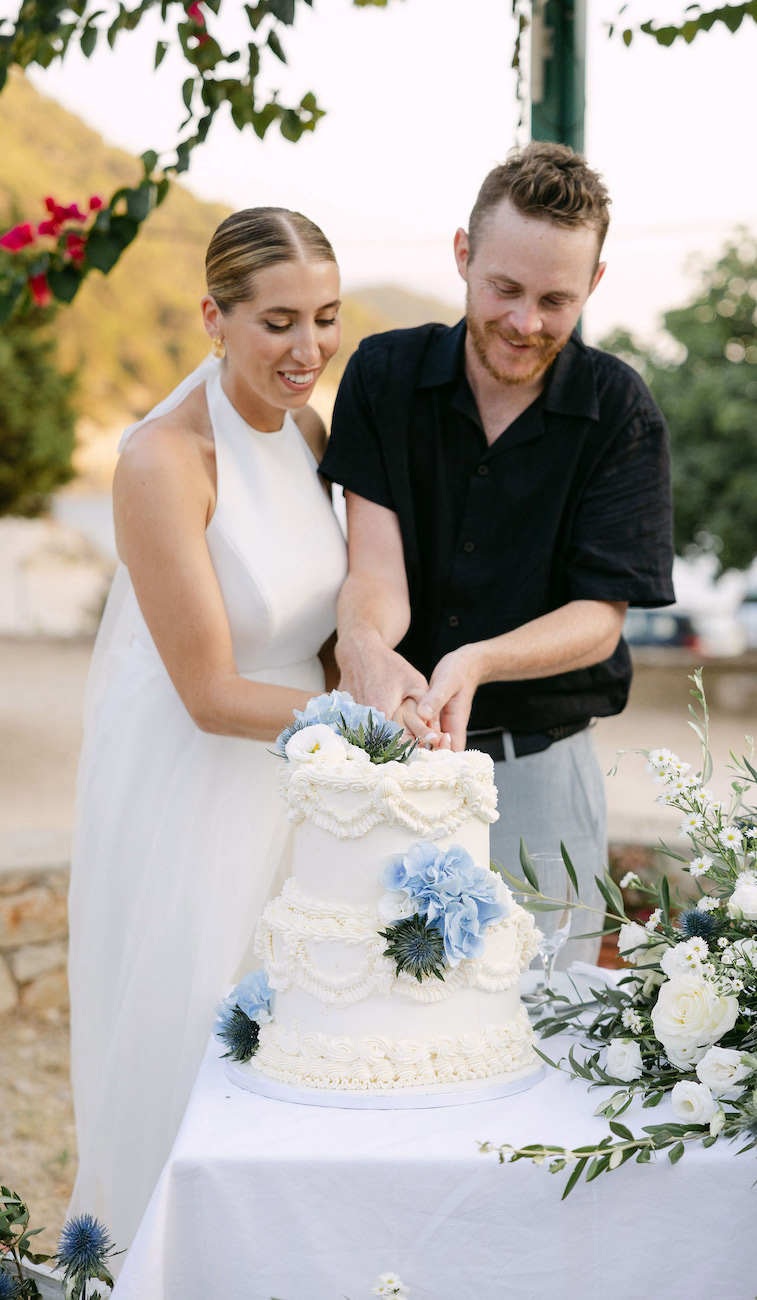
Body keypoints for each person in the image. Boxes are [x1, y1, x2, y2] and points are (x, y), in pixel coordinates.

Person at [67, 207, 348, 1251]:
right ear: (212, 318)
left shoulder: (308, 429)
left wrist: (366, 687)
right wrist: (368, 733)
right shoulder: (161, 459)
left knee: (293, 1038)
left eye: (324, 318)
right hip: (196, 773)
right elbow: (210, 690)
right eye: (277, 322)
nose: (307, 350)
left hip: (298, 772)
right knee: (190, 1025)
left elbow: (322, 628)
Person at [320, 144, 675, 962]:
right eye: (504, 290)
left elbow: (598, 619)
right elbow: (374, 568)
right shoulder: (382, 372)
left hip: (539, 774)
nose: (525, 323)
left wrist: (474, 662)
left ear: (593, 284)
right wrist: (366, 647)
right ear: (462, 255)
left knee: (546, 1027)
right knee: (380, 1024)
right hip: (391, 762)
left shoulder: (620, 410)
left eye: (555, 299)